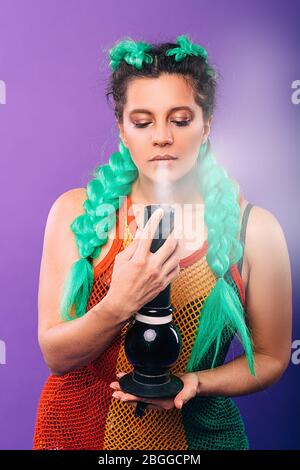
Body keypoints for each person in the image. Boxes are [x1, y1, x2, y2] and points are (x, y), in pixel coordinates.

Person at [33, 34, 292, 450]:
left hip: (197, 440)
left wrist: (197, 382)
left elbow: (273, 357)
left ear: (206, 124)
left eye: (180, 119)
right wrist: (119, 303)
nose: (161, 137)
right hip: (78, 432)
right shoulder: (74, 213)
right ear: (122, 129)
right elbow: (56, 355)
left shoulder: (256, 230)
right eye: (142, 121)